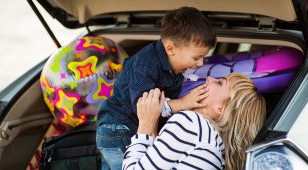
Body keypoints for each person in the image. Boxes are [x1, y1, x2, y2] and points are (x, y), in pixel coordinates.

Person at [96, 6, 217, 169]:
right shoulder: (145, 63)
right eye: (197, 57)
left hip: (129, 130)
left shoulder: (177, 67)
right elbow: (145, 107)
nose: (201, 63)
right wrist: (183, 103)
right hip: (119, 129)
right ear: (171, 49)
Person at [122, 73, 267, 170]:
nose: (209, 78)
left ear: (220, 108)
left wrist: (145, 124)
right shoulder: (214, 146)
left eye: (220, 82)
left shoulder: (191, 124)